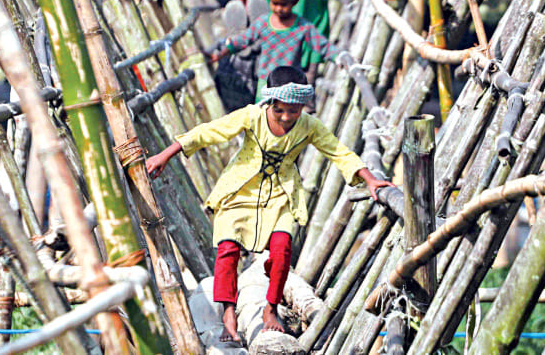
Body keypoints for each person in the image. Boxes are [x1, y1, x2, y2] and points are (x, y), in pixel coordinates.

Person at [146, 66, 393, 345]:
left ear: (302, 108)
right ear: (270, 103)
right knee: (228, 249)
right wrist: (165, 155)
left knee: (282, 249)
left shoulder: (309, 127)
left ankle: (270, 308)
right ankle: (229, 314)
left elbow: (338, 152)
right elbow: (210, 132)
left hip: (281, 195)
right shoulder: (252, 116)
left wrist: (370, 180)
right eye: (280, 111)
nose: (287, 117)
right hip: (241, 190)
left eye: (294, 111)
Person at [208, 0, 338, 100]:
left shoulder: (303, 27)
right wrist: (221, 54)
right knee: (263, 115)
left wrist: (339, 57)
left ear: (294, 2)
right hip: (266, 82)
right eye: (275, 3)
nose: (279, 8)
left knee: (286, 116)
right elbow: (242, 41)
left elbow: (322, 45)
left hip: (290, 84)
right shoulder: (263, 23)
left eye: (283, 4)